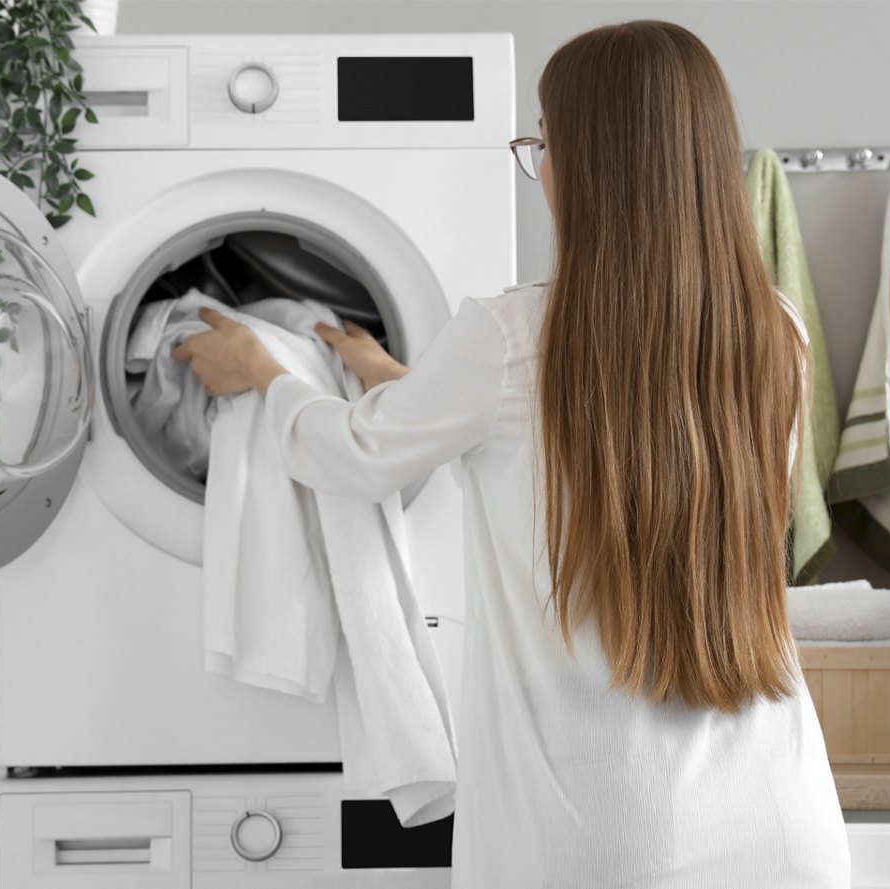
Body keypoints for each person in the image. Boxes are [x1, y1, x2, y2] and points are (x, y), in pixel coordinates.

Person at [174, 19, 850, 889]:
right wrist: (410, 383)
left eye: (545, 143)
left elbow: (350, 454)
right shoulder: (775, 336)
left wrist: (264, 372)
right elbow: (605, 432)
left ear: (591, 166)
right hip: (782, 816)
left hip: (602, 831)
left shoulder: (505, 338)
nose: (542, 170)